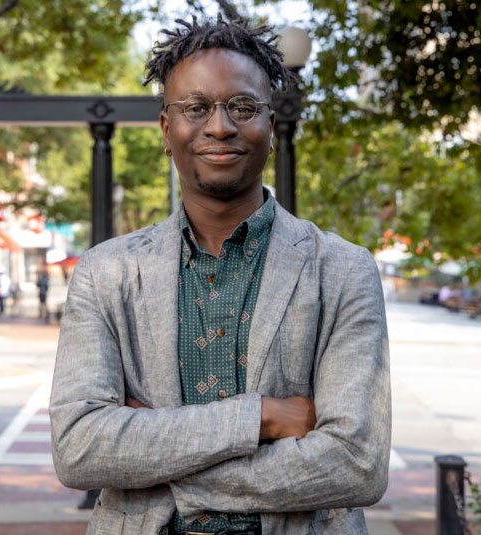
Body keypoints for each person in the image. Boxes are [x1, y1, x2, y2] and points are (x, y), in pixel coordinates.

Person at [50, 15, 390, 535]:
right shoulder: (106, 273)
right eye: (196, 108)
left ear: (271, 128)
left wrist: (160, 461)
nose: (219, 126)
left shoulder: (343, 270)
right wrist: (263, 419)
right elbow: (80, 449)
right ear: (167, 130)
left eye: (243, 107)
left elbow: (356, 463)